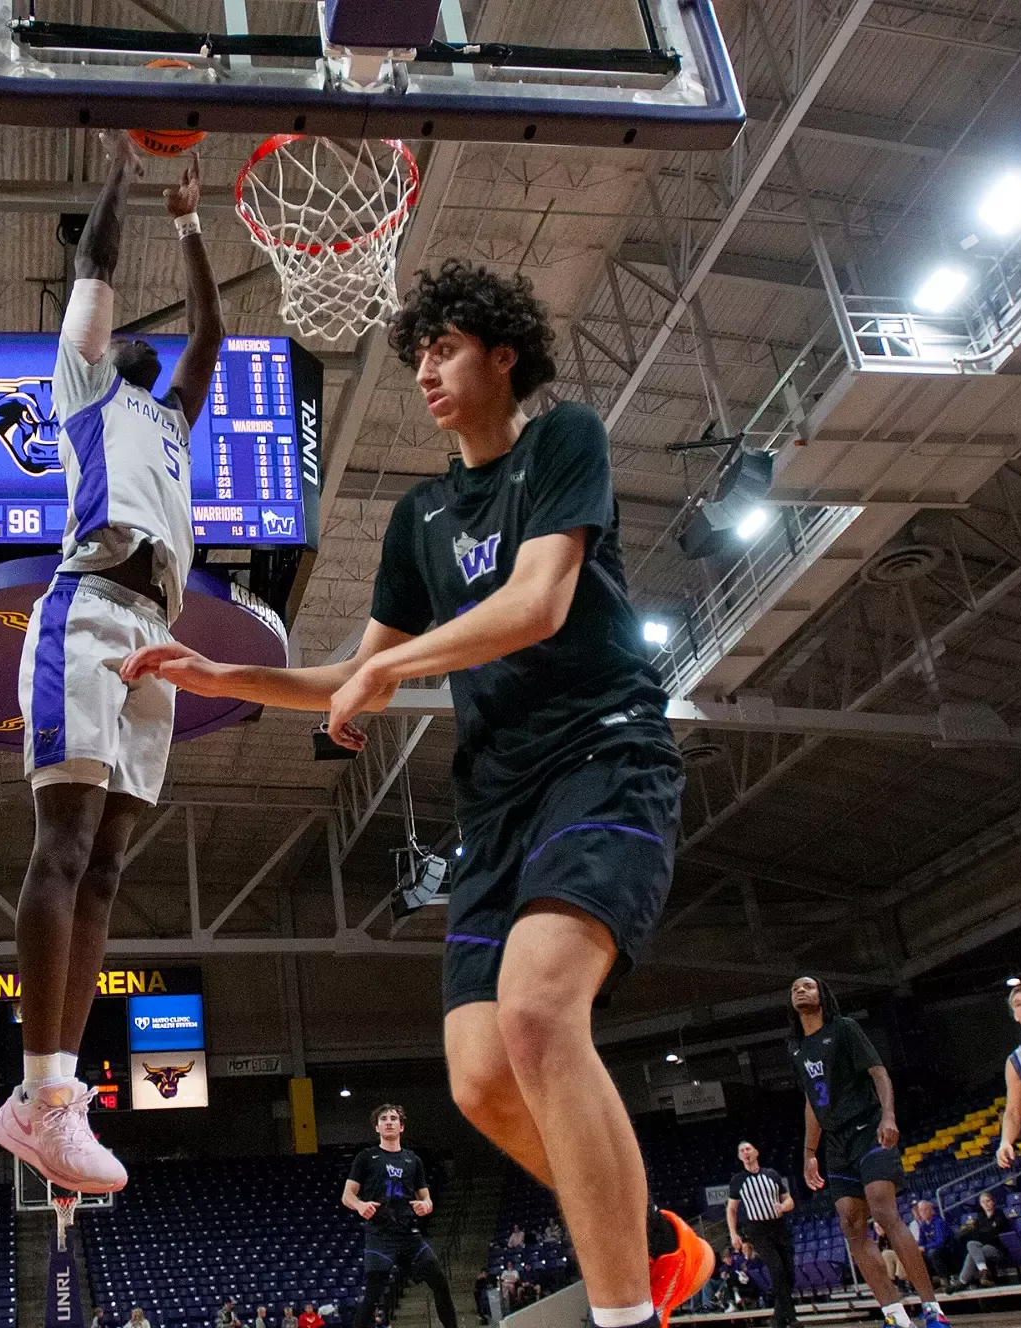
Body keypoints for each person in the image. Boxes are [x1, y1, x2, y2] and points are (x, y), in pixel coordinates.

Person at [124, 259, 711, 1328]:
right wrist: (222, 674)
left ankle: (626, 1313)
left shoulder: (561, 440)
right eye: (419, 357)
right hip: (495, 801)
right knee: (481, 1080)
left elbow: (536, 602)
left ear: (503, 355)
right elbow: (354, 671)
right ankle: (652, 1242)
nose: (426, 373)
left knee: (538, 1013)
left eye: (445, 350)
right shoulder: (419, 515)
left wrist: (387, 670)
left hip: (601, 754)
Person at [0, 131, 224, 1197]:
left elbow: (209, 332)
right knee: (67, 842)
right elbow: (93, 262)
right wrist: (124, 174)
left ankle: (61, 1092)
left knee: (112, 863)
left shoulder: (172, 412)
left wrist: (192, 220)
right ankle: (39, 1092)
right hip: (86, 611)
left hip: (156, 636)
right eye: (120, 327)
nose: (131, 334)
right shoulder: (83, 386)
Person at [789, 976, 947, 1328]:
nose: (800, 990)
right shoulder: (796, 1048)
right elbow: (811, 1102)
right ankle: (895, 1315)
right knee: (850, 1222)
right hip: (835, 1142)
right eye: (795, 989)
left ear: (822, 996)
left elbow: (878, 1072)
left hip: (867, 1127)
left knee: (883, 1210)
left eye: (808, 986)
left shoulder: (844, 1028)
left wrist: (888, 1115)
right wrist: (809, 1151)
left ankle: (932, 1309)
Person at [343, 1104, 459, 1328]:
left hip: (408, 1234)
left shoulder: (413, 1160)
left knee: (440, 1282)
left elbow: (427, 1199)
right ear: (377, 1127)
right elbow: (347, 1195)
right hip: (380, 1234)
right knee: (372, 1293)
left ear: (401, 1126)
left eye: (393, 1118)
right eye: (383, 1119)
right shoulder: (366, 1157)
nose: (388, 1122)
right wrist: (359, 1205)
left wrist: (425, 1205)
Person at [725, 1140, 796, 1328]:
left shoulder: (772, 1174)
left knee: (790, 1275)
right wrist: (733, 1234)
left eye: (748, 1149)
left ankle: (778, 1319)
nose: (746, 1152)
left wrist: (784, 1206)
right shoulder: (738, 1180)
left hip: (779, 1226)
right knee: (777, 1269)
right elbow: (731, 1209)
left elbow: (789, 1200)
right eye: (742, 1151)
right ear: (740, 1157)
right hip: (757, 1230)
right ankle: (792, 1317)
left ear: (756, 1152)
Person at [955, 1192, 1012, 1287]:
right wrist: (984, 1233)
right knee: (971, 1244)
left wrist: (982, 1234)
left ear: (993, 1202)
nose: (986, 1204)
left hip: (998, 1248)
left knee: (974, 1252)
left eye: (988, 1201)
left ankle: (962, 1282)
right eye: (983, 1202)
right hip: (982, 1246)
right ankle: (984, 1271)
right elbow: (977, 1235)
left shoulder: (999, 1214)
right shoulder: (980, 1217)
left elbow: (994, 1233)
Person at [908, 1200, 961, 1286]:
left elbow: (940, 1242)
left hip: (948, 1248)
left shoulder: (938, 1222)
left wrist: (924, 1248)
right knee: (917, 1254)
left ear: (931, 1210)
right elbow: (921, 1242)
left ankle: (944, 1280)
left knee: (933, 1253)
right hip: (935, 1248)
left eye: (925, 1209)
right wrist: (916, 1248)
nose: (923, 1212)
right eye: (921, 1210)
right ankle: (927, 1283)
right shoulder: (923, 1225)